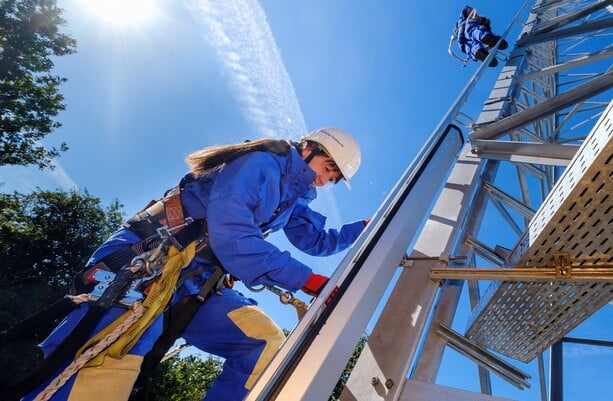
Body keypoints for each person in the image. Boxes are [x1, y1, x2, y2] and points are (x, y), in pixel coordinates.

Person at [20, 127, 368, 401]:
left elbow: (317, 242)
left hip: (196, 282)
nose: (325, 181)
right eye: (327, 169)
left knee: (261, 341)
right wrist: (308, 280)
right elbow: (232, 232)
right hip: (147, 258)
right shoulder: (258, 164)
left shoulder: (293, 200)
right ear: (309, 150)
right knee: (120, 339)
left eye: (333, 179)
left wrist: (364, 229)